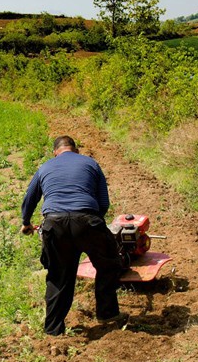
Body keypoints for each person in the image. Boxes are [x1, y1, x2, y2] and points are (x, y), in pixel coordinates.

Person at [21, 135, 123, 336]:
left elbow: (29, 199)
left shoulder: (45, 167)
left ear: (55, 153)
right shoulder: (91, 164)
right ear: (76, 150)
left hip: (55, 224)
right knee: (109, 264)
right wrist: (94, 223)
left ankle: (53, 330)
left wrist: (26, 223)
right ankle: (107, 313)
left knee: (58, 276)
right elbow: (103, 201)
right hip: (88, 220)